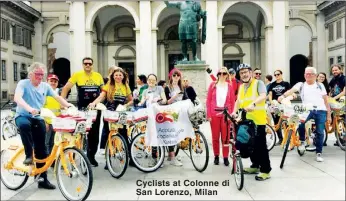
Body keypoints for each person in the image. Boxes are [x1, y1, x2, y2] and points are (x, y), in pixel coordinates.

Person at [14, 62, 73, 189]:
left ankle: (42, 179)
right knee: (24, 126)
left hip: (37, 117)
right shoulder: (23, 84)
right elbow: (17, 98)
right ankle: (29, 155)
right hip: (23, 115)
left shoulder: (45, 86)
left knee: (42, 150)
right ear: (31, 74)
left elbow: (57, 97)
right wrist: (30, 109)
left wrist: (68, 106)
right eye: (38, 74)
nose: (40, 77)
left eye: (42, 74)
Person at [278, 67, 331, 162]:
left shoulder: (320, 85)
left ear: (315, 76)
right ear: (304, 75)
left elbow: (325, 100)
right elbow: (291, 91)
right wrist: (282, 96)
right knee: (300, 124)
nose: (308, 75)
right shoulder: (301, 85)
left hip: (320, 110)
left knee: (320, 132)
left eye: (311, 74)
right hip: (306, 109)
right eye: (306, 74)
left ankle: (319, 153)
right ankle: (302, 141)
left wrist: (329, 113)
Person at [61, 57, 104, 167]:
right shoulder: (77, 75)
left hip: (95, 109)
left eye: (90, 63)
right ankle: (76, 155)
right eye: (85, 64)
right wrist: (62, 103)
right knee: (79, 133)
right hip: (82, 109)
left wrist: (98, 102)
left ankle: (92, 156)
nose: (88, 65)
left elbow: (103, 92)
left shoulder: (98, 76)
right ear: (83, 65)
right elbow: (66, 88)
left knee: (94, 134)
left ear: (92, 65)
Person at [231, 63, 271, 181]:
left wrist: (253, 104)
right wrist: (234, 112)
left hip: (258, 121)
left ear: (250, 72)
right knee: (250, 145)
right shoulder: (242, 86)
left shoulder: (258, 83)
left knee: (260, 146)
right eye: (241, 73)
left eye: (246, 72)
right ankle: (255, 166)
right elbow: (238, 100)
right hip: (246, 121)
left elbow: (264, 95)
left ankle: (265, 170)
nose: (244, 74)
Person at [88, 68, 133, 168]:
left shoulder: (126, 86)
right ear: (112, 76)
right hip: (110, 112)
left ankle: (130, 158)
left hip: (121, 112)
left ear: (123, 76)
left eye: (120, 75)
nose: (118, 77)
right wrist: (94, 103)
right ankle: (108, 160)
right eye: (116, 75)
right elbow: (101, 97)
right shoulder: (109, 85)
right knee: (109, 134)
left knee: (124, 134)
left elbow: (131, 100)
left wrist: (126, 106)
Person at [206, 67, 235, 166]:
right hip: (214, 114)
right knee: (215, 137)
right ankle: (216, 156)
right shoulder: (213, 85)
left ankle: (226, 157)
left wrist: (231, 115)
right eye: (220, 73)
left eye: (224, 73)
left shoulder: (229, 86)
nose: (222, 75)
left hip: (225, 115)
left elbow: (232, 101)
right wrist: (208, 114)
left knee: (225, 137)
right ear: (217, 74)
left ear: (227, 75)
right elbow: (208, 101)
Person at [164, 68, 188, 166]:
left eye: (178, 75)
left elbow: (186, 99)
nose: (176, 77)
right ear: (171, 76)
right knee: (172, 134)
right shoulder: (167, 88)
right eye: (174, 75)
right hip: (170, 112)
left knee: (177, 134)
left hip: (180, 112)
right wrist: (176, 96)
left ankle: (171, 155)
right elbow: (166, 102)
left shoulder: (182, 87)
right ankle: (173, 157)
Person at [268, 70, 291, 145]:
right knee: (276, 121)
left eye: (278, 74)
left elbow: (289, 93)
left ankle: (288, 139)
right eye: (275, 75)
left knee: (286, 121)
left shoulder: (286, 84)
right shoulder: (272, 84)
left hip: (284, 104)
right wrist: (271, 103)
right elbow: (270, 94)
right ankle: (280, 139)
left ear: (281, 74)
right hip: (275, 104)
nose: (277, 76)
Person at [328, 64, 345, 147]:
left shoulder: (344, 79)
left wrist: (334, 98)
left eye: (336, 70)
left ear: (340, 70)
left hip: (342, 101)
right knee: (335, 119)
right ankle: (338, 139)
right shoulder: (333, 79)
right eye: (333, 70)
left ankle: (343, 139)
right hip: (334, 102)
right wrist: (329, 97)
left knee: (342, 119)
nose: (334, 71)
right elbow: (330, 89)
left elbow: (344, 92)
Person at [43, 74, 61, 154]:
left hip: (56, 122)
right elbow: (40, 108)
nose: (53, 83)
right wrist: (44, 121)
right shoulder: (44, 93)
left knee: (54, 142)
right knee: (46, 142)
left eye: (55, 81)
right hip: (47, 122)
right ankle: (46, 159)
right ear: (47, 82)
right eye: (51, 81)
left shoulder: (58, 93)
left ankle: (52, 159)